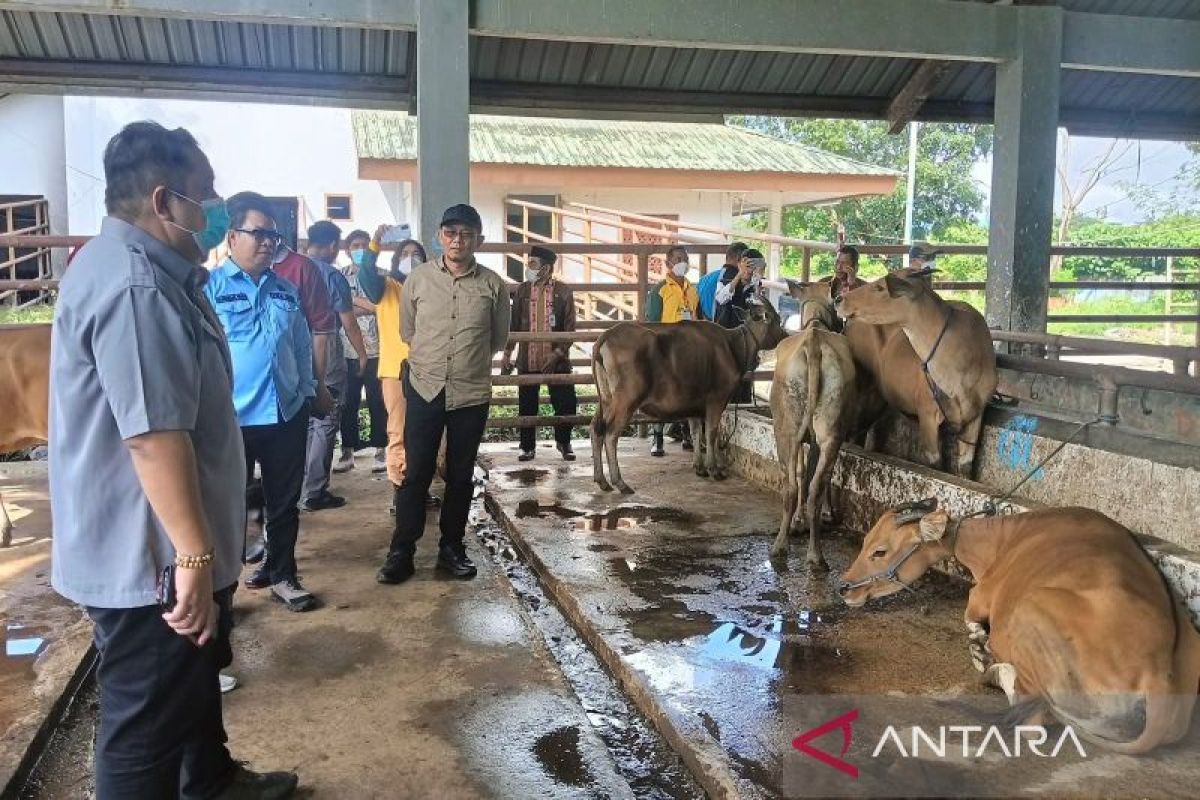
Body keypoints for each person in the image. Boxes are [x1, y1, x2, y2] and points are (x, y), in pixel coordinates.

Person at [49, 121, 297, 798]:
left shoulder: (164, 274)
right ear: (164, 202)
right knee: (144, 725)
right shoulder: (136, 288)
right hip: (152, 557)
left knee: (191, 681)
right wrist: (192, 556)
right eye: (205, 194)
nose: (214, 207)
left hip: (173, 546)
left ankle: (210, 780)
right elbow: (152, 436)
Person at [376, 204, 510, 585]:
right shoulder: (417, 280)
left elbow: (498, 339)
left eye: (466, 233)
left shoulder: (493, 285)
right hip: (424, 388)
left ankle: (452, 548)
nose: (457, 240)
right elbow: (408, 332)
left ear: (478, 240)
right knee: (415, 472)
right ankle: (401, 551)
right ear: (439, 236)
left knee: (461, 474)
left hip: (470, 392)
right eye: (450, 232)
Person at [205, 191, 319, 613]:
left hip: (285, 413)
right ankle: (222, 590)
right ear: (232, 236)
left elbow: (302, 345)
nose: (269, 242)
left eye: (274, 235)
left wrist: (308, 391)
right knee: (228, 508)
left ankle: (284, 575)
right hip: (231, 418)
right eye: (259, 233)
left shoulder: (286, 290)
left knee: (284, 503)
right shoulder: (209, 289)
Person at [302, 220, 368, 511]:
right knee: (326, 418)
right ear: (331, 246)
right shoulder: (331, 275)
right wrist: (362, 354)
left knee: (302, 419)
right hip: (325, 349)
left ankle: (299, 484)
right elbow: (348, 321)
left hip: (294, 350)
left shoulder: (290, 267)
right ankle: (315, 490)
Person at [501, 245, 578, 462]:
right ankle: (527, 447)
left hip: (557, 360)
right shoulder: (523, 290)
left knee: (565, 403)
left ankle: (564, 443)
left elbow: (570, 328)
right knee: (527, 405)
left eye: (533, 264)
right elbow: (514, 323)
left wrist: (557, 354)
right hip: (528, 358)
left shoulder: (564, 292)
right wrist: (508, 352)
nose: (529, 268)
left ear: (546, 268)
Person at [334, 229, 387, 474]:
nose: (360, 250)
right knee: (348, 403)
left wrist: (352, 302)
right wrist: (366, 307)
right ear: (347, 250)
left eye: (365, 245)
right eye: (355, 245)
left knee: (378, 401)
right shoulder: (338, 278)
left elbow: (382, 308)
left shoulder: (381, 276)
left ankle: (380, 448)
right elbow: (336, 311)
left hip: (379, 350)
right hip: (347, 350)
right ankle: (348, 450)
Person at [644, 244, 702, 457]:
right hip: (666, 348)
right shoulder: (660, 289)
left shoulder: (693, 289)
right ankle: (657, 437)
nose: (682, 263)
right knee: (662, 391)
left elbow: (699, 316)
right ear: (668, 264)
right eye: (677, 259)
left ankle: (687, 432)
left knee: (690, 390)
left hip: (690, 348)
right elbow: (651, 321)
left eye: (685, 259)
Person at [699, 241, 748, 321]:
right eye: (746, 260)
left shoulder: (704, 279)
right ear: (738, 259)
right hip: (723, 329)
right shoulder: (734, 279)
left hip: (703, 327)